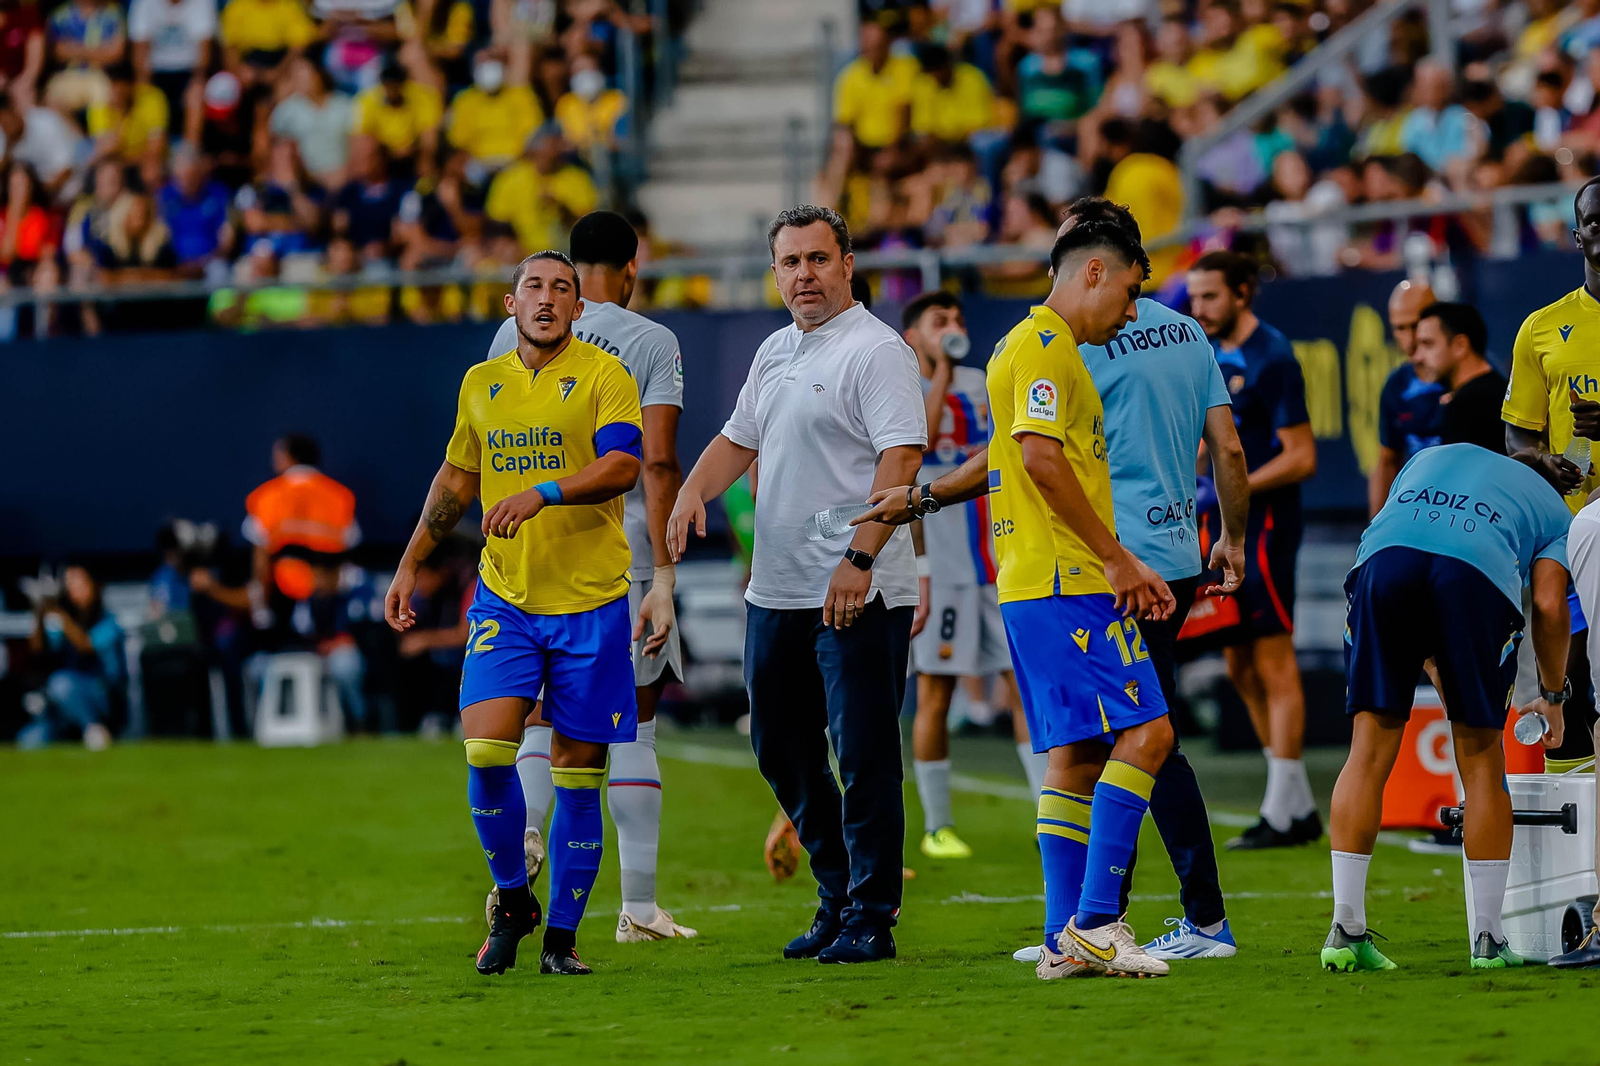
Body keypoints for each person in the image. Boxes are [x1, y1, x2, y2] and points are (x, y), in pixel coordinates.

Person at [860, 198, 1251, 966]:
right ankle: (1102, 922)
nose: (1134, 310)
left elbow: (1011, 456)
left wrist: (927, 493)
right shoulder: (1047, 347)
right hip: (1074, 576)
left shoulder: (1030, 347)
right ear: (1095, 271)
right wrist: (1116, 558)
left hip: (1035, 578)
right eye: (1131, 292)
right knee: (1151, 731)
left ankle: (1061, 935)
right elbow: (1038, 459)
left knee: (1075, 753)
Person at [666, 206, 925, 965]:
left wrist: (861, 558)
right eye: (790, 262)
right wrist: (690, 491)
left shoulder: (878, 351)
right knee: (779, 748)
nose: (804, 274)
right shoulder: (776, 350)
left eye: (817, 259)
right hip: (775, 590)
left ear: (847, 263)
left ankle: (871, 916)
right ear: (774, 272)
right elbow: (737, 439)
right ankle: (837, 893)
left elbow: (901, 463)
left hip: (855, 590)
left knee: (864, 751)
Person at [385, 250, 643, 978]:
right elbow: (456, 480)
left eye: (563, 288)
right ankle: (513, 899)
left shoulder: (604, 375)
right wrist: (409, 562)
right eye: (535, 286)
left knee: (577, 774)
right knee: (486, 751)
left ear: (577, 308)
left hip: (591, 601)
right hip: (508, 598)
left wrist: (544, 492)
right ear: (511, 304)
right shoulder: (482, 383)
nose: (549, 298)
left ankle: (560, 940)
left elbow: (624, 464)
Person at [485, 210, 695, 943]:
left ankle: (527, 836)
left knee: (542, 715)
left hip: (527, 555)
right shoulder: (649, 341)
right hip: (621, 555)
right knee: (633, 727)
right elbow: (659, 461)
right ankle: (637, 907)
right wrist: (664, 572)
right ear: (632, 271)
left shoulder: (517, 327)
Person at [1325, 444, 1572, 973]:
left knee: (1366, 753)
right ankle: (1487, 939)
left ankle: (1345, 930)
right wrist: (1554, 697)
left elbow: (1416, 547)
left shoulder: (1433, 456)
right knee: (1483, 763)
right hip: (1474, 580)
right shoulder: (1555, 511)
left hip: (1382, 565)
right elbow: (1550, 607)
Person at [898, 290, 1041, 861]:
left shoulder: (987, 381)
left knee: (1023, 687)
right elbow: (919, 445)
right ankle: (937, 825)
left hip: (1001, 560)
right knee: (936, 690)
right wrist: (941, 373)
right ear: (914, 336)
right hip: (948, 565)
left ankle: (1045, 811)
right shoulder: (905, 386)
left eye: (957, 318)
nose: (953, 326)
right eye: (939, 321)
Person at [1187, 250, 1321, 850]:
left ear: (1243, 292)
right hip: (1221, 521)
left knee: (1271, 658)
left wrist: (1236, 482)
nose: (1199, 308)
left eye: (1210, 296)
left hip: (1264, 526)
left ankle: (1282, 807)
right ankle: (1293, 804)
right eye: (1194, 297)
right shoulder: (1204, 353)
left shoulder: (1273, 356)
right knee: (1238, 662)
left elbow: (1301, 455)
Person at [1504, 173, 1600, 830]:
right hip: (1571, 533)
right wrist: (1547, 461)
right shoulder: (1544, 328)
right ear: (1577, 235)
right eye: (1596, 219)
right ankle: (1581, 856)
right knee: (1572, 685)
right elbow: (1518, 436)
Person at [18, 564, 125, 751]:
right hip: (63, 704)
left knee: (60, 683)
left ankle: (93, 729)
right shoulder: (65, 620)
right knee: (29, 741)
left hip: (102, 698)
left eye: (79, 585)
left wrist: (60, 614)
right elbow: (37, 648)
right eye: (69, 586)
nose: (73, 591)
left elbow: (86, 646)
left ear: (95, 586)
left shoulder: (108, 621)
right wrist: (40, 610)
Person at [1369, 280, 1439, 518]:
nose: (1409, 339)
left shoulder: (1473, 375)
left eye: (1415, 325)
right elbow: (1387, 460)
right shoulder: (1395, 387)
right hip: (1419, 510)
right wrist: (1374, 534)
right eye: (1400, 328)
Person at [1412, 302, 1507, 453]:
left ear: (1460, 346)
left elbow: (1457, 475)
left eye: (1428, 344)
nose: (1417, 357)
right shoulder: (1504, 392)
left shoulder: (1464, 406)